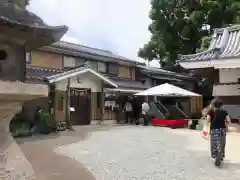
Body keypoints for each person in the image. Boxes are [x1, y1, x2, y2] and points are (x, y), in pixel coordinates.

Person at [207, 98, 231, 165]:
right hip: (222, 130)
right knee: (222, 143)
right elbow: (229, 121)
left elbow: (208, 120)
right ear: (221, 105)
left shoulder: (211, 111)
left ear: (214, 105)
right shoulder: (224, 111)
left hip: (214, 129)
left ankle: (215, 154)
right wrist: (224, 120)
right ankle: (221, 155)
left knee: (214, 142)